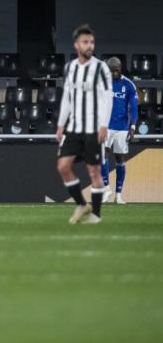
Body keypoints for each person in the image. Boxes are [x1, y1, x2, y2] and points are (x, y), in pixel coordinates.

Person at [56, 24, 113, 224]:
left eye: (92, 42)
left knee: (94, 171)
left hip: (93, 128)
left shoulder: (101, 68)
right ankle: (81, 204)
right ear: (76, 45)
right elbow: (67, 98)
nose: (89, 46)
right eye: (85, 42)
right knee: (63, 165)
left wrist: (104, 125)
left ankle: (96, 215)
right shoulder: (70, 68)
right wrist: (61, 124)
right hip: (74, 128)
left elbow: (108, 97)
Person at [101, 57, 138, 204]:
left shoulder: (129, 85)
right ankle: (106, 189)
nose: (113, 74)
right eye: (110, 71)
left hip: (122, 128)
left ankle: (118, 195)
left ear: (120, 69)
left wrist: (133, 126)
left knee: (120, 160)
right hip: (106, 126)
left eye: (115, 71)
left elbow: (134, 108)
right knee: (103, 155)